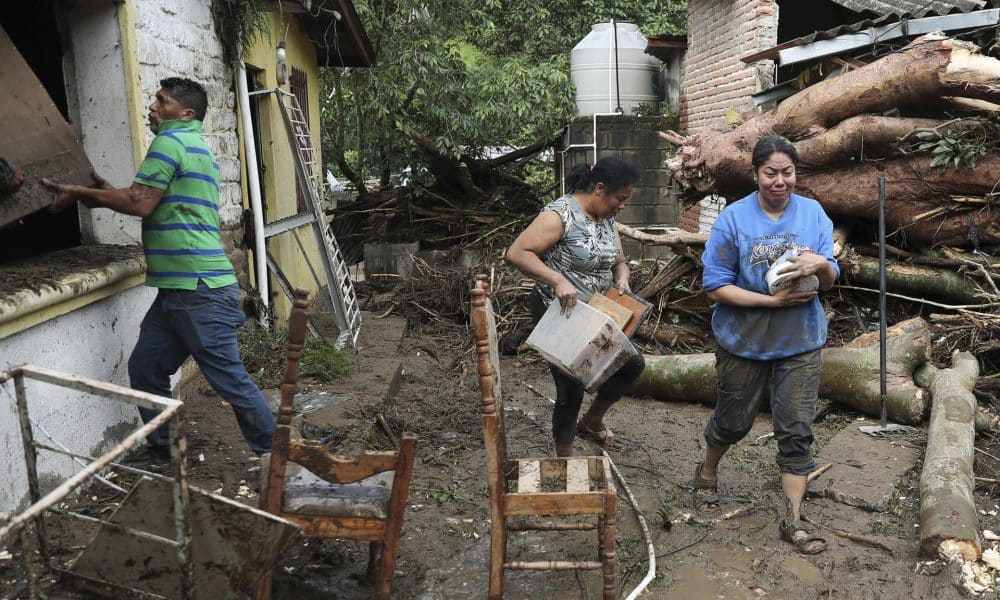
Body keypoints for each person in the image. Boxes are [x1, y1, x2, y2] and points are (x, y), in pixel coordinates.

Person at [41, 77, 275, 457]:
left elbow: (140, 203)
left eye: (161, 101)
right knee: (147, 367)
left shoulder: (169, 141)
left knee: (230, 379)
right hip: (180, 289)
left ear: (185, 113)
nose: (152, 106)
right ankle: (166, 446)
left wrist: (83, 193)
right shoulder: (196, 145)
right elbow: (149, 198)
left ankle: (275, 456)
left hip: (199, 290)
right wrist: (107, 193)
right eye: (155, 99)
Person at [696, 134, 839, 554]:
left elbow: (832, 276)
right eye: (770, 173)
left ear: (796, 173)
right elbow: (715, 286)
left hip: (801, 340)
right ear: (756, 174)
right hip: (744, 340)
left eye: (788, 172)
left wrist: (822, 265)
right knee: (733, 421)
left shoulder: (812, 213)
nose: (780, 181)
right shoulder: (734, 220)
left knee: (796, 430)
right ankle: (707, 471)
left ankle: (793, 520)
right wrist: (771, 301)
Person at [506, 157, 645, 457]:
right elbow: (517, 253)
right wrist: (556, 279)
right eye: (620, 199)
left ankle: (592, 422)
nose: (622, 206)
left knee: (632, 364)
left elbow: (619, 261)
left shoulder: (607, 217)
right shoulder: (560, 215)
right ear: (599, 188)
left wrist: (622, 279)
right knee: (571, 387)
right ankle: (565, 460)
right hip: (561, 312)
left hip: (597, 312)